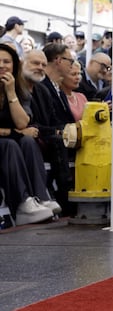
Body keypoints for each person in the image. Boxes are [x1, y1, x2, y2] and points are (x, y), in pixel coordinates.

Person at [0, 44, 59, 219]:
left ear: (14, 65)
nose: (2, 65)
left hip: (10, 140)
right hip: (6, 143)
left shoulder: (18, 88)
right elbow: (20, 130)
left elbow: (23, 122)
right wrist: (14, 133)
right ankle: (22, 203)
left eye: (6, 61)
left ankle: (40, 197)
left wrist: (10, 93)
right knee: (11, 143)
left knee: (27, 141)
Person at [22, 49, 73, 214]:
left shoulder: (42, 90)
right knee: (58, 140)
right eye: (35, 63)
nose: (40, 67)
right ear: (23, 63)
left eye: (43, 64)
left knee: (67, 136)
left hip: (44, 134)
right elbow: (28, 124)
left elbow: (53, 122)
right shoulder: (16, 88)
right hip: (25, 137)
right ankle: (63, 200)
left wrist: (62, 131)